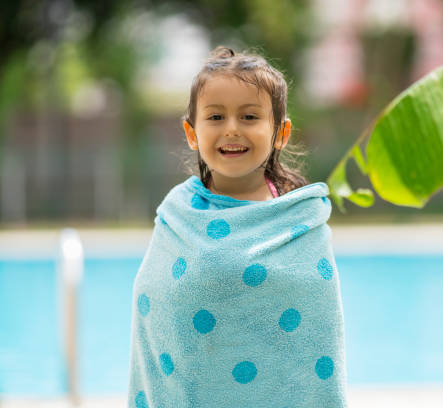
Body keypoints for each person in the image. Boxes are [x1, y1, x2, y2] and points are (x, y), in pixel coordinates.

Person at [127, 46, 348, 407]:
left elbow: (316, 325)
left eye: (249, 117)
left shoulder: (300, 220)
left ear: (280, 133)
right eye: (215, 117)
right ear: (191, 132)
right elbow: (157, 307)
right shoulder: (178, 215)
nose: (231, 129)